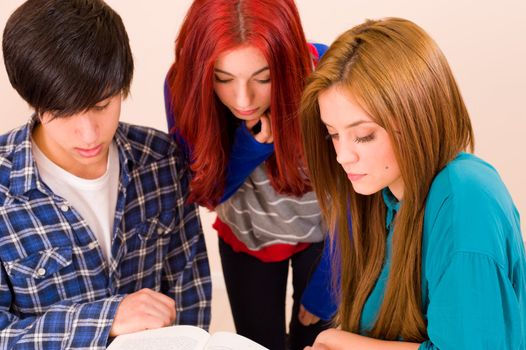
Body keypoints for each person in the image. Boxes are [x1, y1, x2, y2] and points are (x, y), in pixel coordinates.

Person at [300, 17, 526, 349]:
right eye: (333, 134)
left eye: (363, 136)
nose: (342, 156)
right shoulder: (385, 193)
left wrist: (338, 339)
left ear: (417, 116)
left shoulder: (466, 200)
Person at [0, 0, 211, 348]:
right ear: (33, 100)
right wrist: (106, 319)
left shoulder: (162, 162)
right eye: (63, 112)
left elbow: (191, 296)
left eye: (102, 105)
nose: (90, 134)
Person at [164, 0, 333, 349]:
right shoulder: (182, 87)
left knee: (317, 341)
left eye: (265, 78)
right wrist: (250, 146)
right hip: (247, 236)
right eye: (223, 79)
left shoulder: (326, 70)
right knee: (256, 344)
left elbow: (361, 192)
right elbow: (204, 192)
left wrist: (331, 282)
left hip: (328, 240)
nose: (244, 99)